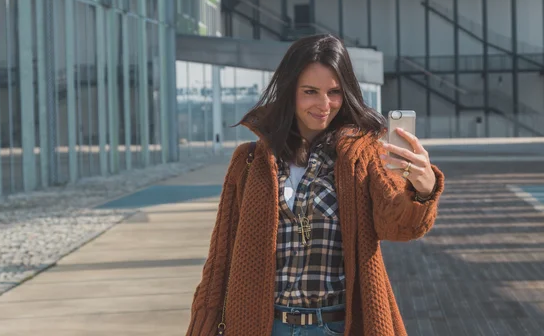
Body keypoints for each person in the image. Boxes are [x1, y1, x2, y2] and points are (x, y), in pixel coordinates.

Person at [186, 34, 444, 336]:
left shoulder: (362, 156)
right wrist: (203, 322)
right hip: (266, 327)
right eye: (310, 91)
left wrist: (423, 189)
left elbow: (397, 227)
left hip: (337, 326)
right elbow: (221, 257)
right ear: (289, 91)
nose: (324, 104)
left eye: (334, 92)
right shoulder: (249, 161)